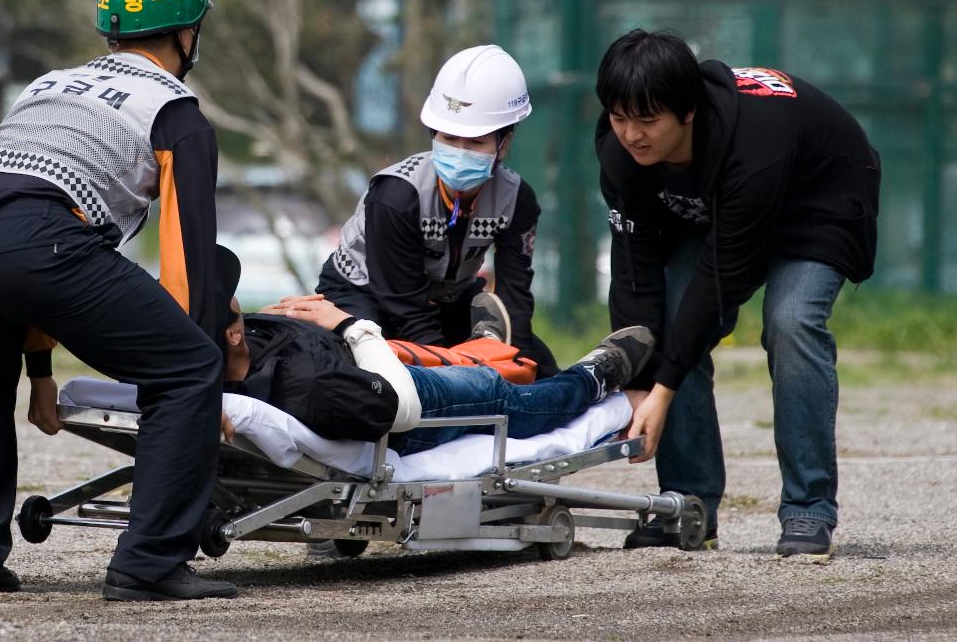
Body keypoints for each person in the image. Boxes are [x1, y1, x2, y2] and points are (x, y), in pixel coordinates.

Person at [0, 0, 237, 601]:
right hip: (35, 239)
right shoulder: (176, 112)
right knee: (187, 366)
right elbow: (188, 264)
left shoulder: (51, 81)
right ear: (187, 32)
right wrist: (206, 380)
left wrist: (38, 373)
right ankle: (148, 563)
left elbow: (9, 226)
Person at [594, 29, 880, 560]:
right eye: (618, 116)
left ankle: (808, 509)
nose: (631, 134)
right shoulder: (620, 151)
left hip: (817, 199)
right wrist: (638, 380)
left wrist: (664, 389)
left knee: (790, 323)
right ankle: (689, 506)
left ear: (689, 113)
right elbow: (635, 271)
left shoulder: (754, 142)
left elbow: (720, 277)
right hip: (719, 207)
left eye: (647, 120)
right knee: (672, 324)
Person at [213, 246, 652, 454]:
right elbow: (399, 407)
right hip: (402, 400)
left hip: (366, 363)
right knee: (505, 398)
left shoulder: (230, 351)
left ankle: (488, 345)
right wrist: (349, 324)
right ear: (231, 336)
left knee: (457, 360)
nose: (239, 301)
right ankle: (594, 377)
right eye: (233, 302)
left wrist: (277, 320)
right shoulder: (311, 387)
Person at [316, 45, 559, 378]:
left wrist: (517, 358)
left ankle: (593, 379)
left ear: (504, 143)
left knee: (537, 362)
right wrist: (454, 370)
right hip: (366, 295)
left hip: (445, 298)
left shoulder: (518, 200)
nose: (459, 152)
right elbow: (404, 310)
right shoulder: (397, 196)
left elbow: (514, 295)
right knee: (382, 366)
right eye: (449, 138)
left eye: (475, 143)